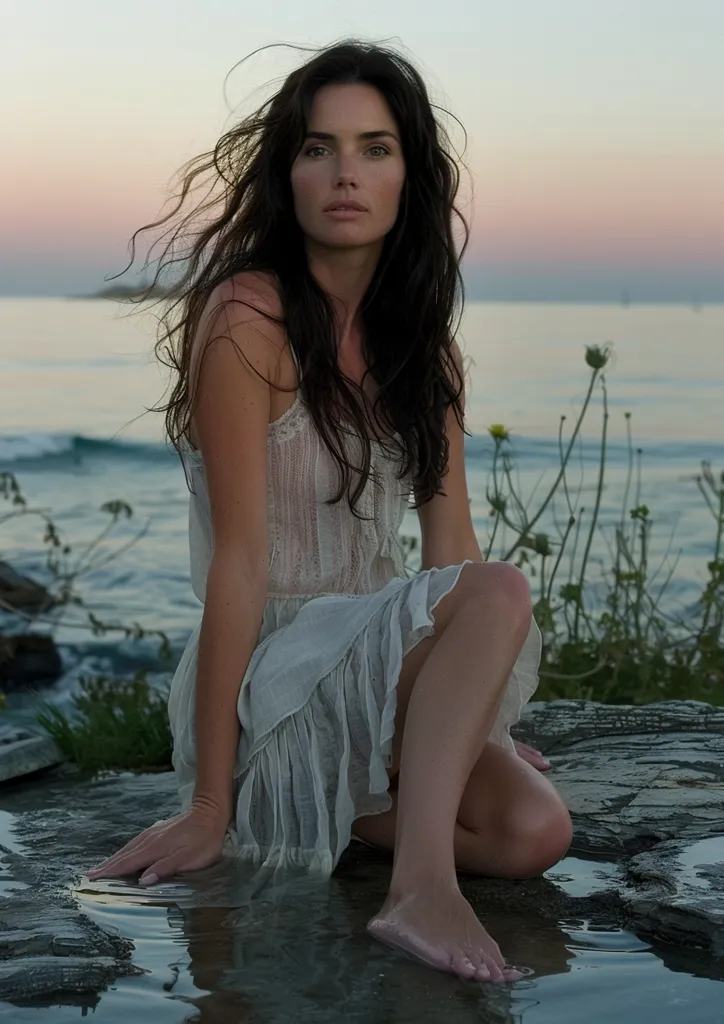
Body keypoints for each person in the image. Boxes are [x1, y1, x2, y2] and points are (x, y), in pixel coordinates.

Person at [86, 38, 573, 984]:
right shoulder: (248, 320)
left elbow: (450, 547)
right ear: (289, 173)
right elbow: (241, 565)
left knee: (533, 829)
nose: (345, 172)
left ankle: (320, 812)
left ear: (409, 176)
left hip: (374, 678)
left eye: (374, 148)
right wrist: (210, 806)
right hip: (270, 682)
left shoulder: (425, 353)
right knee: (501, 589)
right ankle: (420, 887)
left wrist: (474, 706)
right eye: (319, 148)